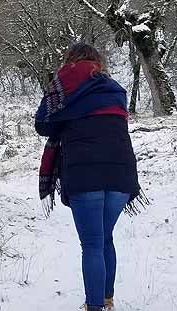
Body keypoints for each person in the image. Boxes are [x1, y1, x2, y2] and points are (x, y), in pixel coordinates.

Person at [35, 43, 141, 311]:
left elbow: (42, 124)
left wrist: (63, 119)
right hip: (122, 171)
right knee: (105, 238)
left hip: (84, 171)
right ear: (98, 62)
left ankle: (95, 307)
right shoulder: (115, 89)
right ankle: (107, 300)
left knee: (92, 244)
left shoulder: (63, 83)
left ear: (70, 61)